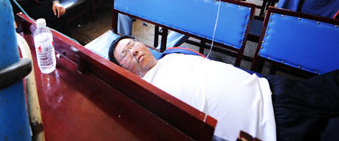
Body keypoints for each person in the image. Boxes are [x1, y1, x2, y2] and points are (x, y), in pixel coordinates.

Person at [108, 36, 339, 141]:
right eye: (125, 55)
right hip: (272, 129)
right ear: (122, 69)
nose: (134, 51)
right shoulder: (148, 96)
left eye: (132, 44)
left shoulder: (174, 53)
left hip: (271, 88)